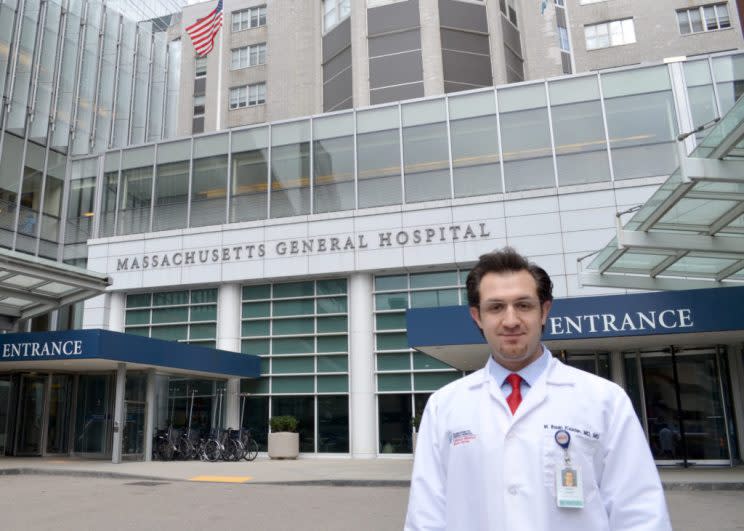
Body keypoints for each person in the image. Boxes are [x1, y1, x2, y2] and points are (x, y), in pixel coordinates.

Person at [405, 248, 671, 530]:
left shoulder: (605, 400)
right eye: (496, 307)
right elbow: (426, 516)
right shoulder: (444, 406)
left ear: (544, 311)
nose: (511, 320)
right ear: (477, 317)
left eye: (523, 305)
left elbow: (639, 513)